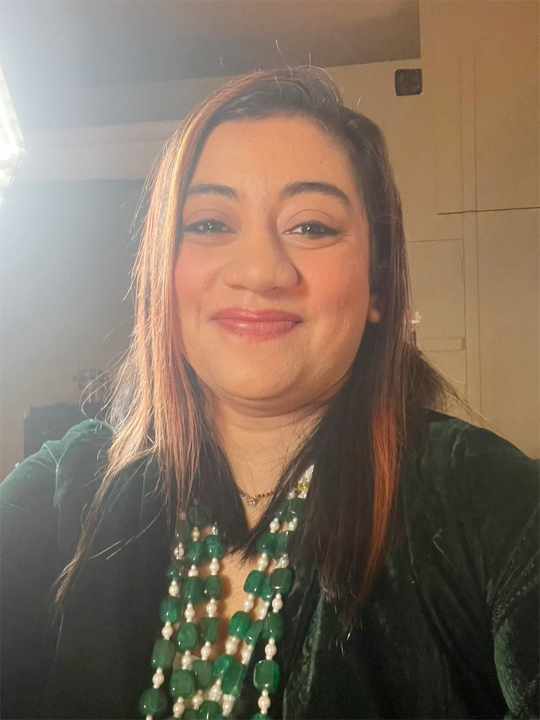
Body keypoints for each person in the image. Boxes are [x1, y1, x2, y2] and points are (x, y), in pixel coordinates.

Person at [1, 67, 538, 720]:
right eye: (208, 224)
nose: (259, 271)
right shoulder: (67, 489)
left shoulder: (487, 500)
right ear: (163, 273)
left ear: (378, 285)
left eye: (310, 227)